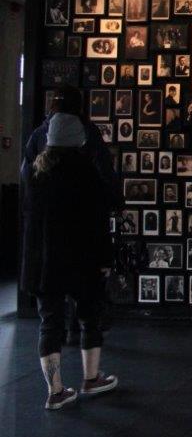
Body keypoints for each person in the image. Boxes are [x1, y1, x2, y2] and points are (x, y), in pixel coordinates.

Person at [20, 112, 119, 410]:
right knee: (90, 318)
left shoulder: (36, 175)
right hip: (83, 261)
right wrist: (104, 260)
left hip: (46, 264)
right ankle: (91, 379)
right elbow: (98, 223)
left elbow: (31, 227)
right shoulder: (88, 175)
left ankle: (56, 391)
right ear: (79, 140)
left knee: (49, 324)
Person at [23, 85, 121, 348]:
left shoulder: (38, 136)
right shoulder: (87, 133)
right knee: (88, 303)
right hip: (83, 228)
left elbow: (27, 182)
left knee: (50, 313)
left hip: (48, 233)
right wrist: (112, 202)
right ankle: (90, 367)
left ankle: (55, 384)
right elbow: (104, 175)